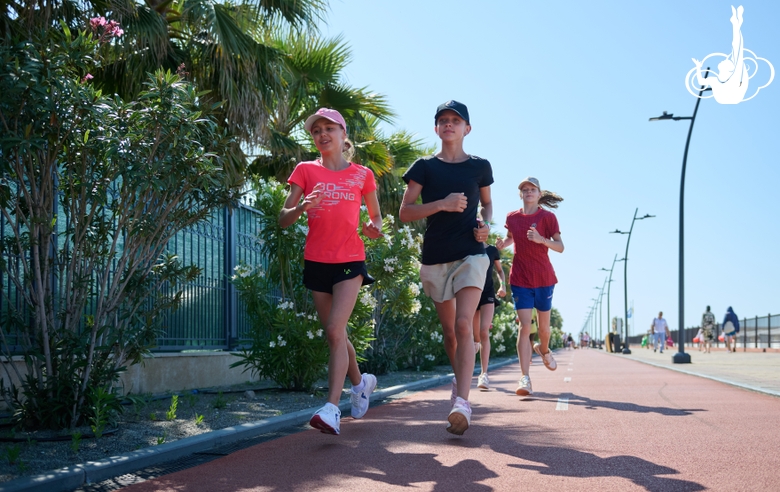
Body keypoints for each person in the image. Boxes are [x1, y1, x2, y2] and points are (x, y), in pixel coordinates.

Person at [279, 108, 383, 436]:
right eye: (316, 130)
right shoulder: (305, 170)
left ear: (342, 134)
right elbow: (283, 218)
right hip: (317, 261)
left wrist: (373, 228)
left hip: (350, 259)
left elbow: (377, 217)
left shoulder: (362, 174)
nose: (322, 134)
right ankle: (361, 381)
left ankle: (332, 408)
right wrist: (301, 207)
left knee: (336, 330)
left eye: (329, 128)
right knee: (334, 333)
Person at [399, 100, 493, 435]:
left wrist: (486, 226)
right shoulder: (424, 167)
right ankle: (460, 385)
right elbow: (405, 211)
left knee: (465, 324)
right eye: (443, 120)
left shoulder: (480, 166)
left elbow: (487, 204)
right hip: (436, 257)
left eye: (455, 120)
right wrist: (442, 205)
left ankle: (462, 403)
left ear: (467, 128)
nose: (449, 124)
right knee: (451, 332)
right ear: (436, 128)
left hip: (472, 253)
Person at [496, 177, 564, 397]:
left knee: (544, 330)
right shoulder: (512, 218)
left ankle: (543, 350)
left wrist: (541, 239)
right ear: (520, 194)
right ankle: (525, 377)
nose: (528, 192)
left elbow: (560, 247)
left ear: (539, 193)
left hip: (544, 278)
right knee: (525, 327)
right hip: (520, 280)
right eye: (524, 189)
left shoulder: (548, 217)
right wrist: (501, 244)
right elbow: (510, 239)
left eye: (532, 189)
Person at [474, 241, 506, 391]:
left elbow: (499, 270)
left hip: (487, 293)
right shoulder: (467, 247)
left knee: (483, 332)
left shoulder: (492, 250)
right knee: (474, 339)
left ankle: (484, 374)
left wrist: (503, 285)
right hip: (471, 292)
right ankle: (463, 373)